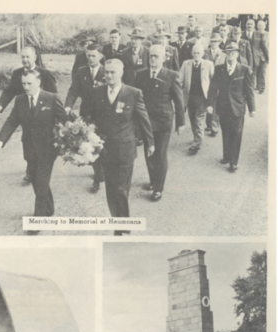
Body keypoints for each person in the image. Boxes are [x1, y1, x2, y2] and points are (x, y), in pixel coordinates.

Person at [87, 59, 154, 234]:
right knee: (110, 189)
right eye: (106, 72)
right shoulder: (97, 92)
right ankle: (118, 221)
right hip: (106, 149)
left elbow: (143, 118)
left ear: (121, 73)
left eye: (112, 72)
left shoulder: (133, 93)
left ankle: (123, 223)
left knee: (121, 188)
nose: (108, 75)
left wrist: (150, 142)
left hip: (125, 149)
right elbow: (91, 118)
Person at [0, 70, 66, 226]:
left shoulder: (51, 98)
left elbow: (64, 121)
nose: (26, 87)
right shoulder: (20, 100)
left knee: (41, 181)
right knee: (35, 178)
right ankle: (48, 208)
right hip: (29, 147)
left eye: (29, 84)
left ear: (38, 82)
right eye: (23, 84)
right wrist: (1, 140)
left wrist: (69, 140)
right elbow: (12, 121)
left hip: (48, 148)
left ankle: (37, 220)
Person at [0, 46, 57, 183]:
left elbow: (54, 95)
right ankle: (31, 170)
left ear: (35, 57)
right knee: (28, 140)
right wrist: (1, 105)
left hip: (42, 114)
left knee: (42, 148)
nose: (25, 60)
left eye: (28, 57)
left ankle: (37, 173)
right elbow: (10, 91)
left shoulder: (44, 74)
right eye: (23, 57)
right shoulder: (17, 74)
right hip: (24, 111)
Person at [134, 45, 185, 202]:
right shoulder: (141, 75)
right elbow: (135, 99)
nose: (153, 59)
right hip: (146, 122)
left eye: (156, 56)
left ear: (164, 58)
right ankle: (153, 180)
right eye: (150, 56)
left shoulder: (171, 75)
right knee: (149, 152)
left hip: (163, 121)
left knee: (160, 154)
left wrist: (180, 122)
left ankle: (158, 188)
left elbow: (178, 100)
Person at [207, 41, 255, 172]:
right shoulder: (219, 68)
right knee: (226, 132)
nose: (230, 56)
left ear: (237, 54)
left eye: (233, 53)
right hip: (223, 106)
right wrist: (210, 104)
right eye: (228, 53)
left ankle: (233, 162)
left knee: (236, 133)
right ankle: (226, 155)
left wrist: (252, 109)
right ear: (225, 55)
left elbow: (249, 90)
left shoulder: (244, 69)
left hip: (237, 107)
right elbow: (213, 87)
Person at [65, 44, 105, 193]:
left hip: (103, 115)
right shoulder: (82, 72)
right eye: (88, 55)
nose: (90, 58)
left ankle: (103, 171)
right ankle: (97, 177)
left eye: (94, 55)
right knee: (92, 143)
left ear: (100, 56)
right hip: (87, 114)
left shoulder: (106, 71)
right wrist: (68, 106)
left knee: (103, 144)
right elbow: (73, 90)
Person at [179, 43, 214, 153]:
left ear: (203, 53)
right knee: (192, 119)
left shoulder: (209, 64)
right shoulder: (186, 64)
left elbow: (213, 82)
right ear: (191, 53)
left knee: (199, 120)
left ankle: (197, 144)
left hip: (202, 98)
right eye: (194, 53)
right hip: (190, 98)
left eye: (198, 53)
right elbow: (180, 79)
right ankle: (196, 138)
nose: (196, 55)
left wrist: (211, 100)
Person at [203, 33, 226, 136]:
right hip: (206, 81)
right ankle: (208, 123)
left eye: (216, 41)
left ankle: (214, 127)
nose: (213, 43)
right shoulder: (205, 53)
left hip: (217, 83)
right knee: (207, 102)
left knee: (215, 103)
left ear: (219, 42)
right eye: (212, 41)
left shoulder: (223, 54)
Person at [242, 19, 269, 91]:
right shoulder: (242, 34)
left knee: (254, 73)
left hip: (255, 57)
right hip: (244, 57)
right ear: (245, 25)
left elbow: (263, 47)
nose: (249, 25)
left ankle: (251, 89)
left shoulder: (258, 34)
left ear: (254, 26)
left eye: (251, 24)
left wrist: (267, 57)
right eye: (248, 24)